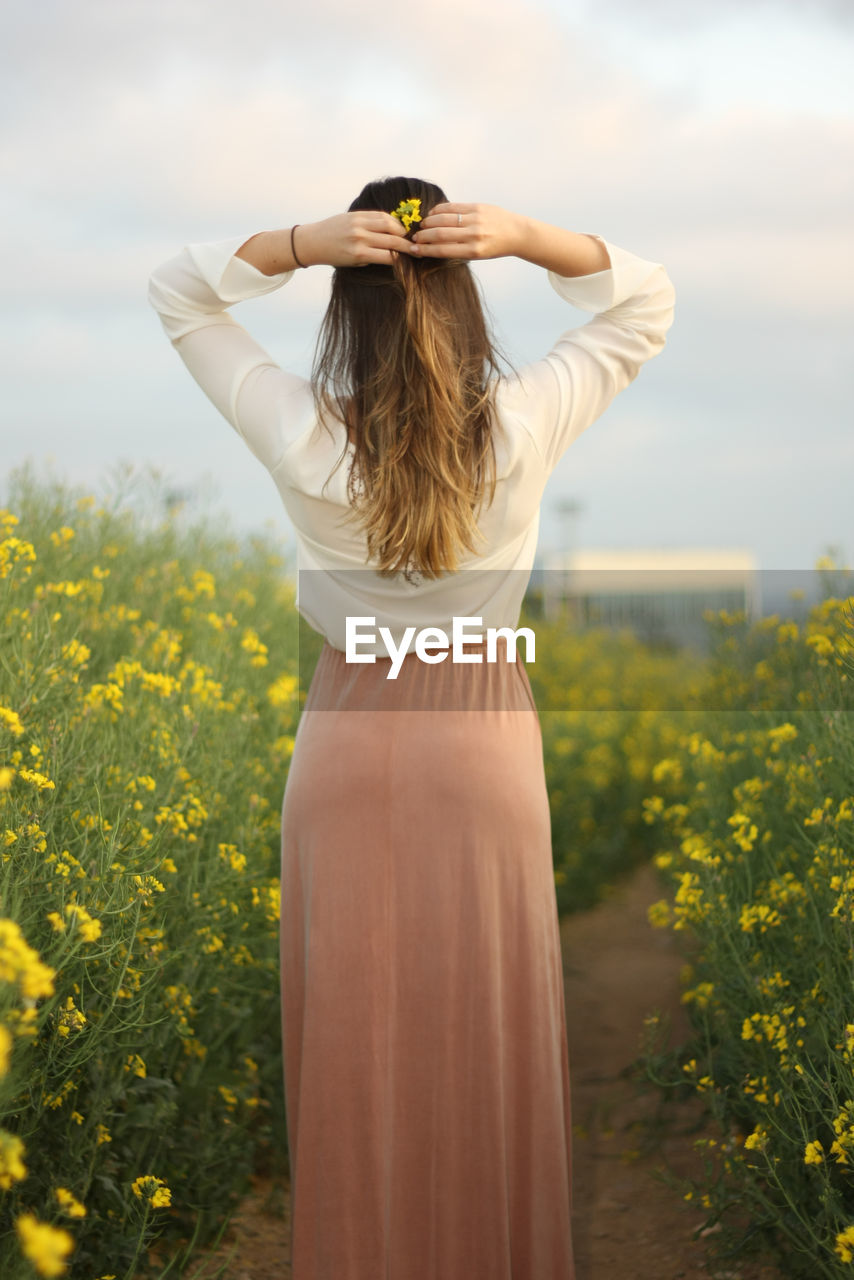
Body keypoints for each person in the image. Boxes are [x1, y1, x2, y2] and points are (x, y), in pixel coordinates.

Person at [147, 174, 675, 1280]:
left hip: (346, 741)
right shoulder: (521, 426)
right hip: (481, 742)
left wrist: (296, 244)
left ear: (347, 302)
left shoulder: (304, 436)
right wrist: (526, 235)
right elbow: (645, 303)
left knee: (355, 1047)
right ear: (468, 295)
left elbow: (178, 292)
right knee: (485, 1029)